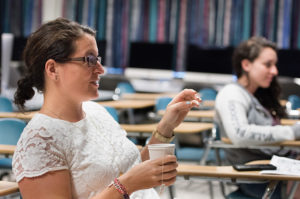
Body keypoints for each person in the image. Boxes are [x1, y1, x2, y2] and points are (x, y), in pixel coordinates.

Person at [12, 18, 201, 199]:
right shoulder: (39, 141)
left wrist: (166, 126)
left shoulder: (96, 112)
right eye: (89, 60)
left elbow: (133, 171)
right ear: (53, 69)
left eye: (98, 59)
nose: (101, 69)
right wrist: (126, 186)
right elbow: (129, 181)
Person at [214, 36, 300, 198]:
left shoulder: (255, 95)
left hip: (277, 170)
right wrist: (292, 132)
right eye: (268, 65)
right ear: (246, 65)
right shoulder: (232, 94)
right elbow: (239, 134)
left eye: (274, 65)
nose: (274, 71)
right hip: (259, 178)